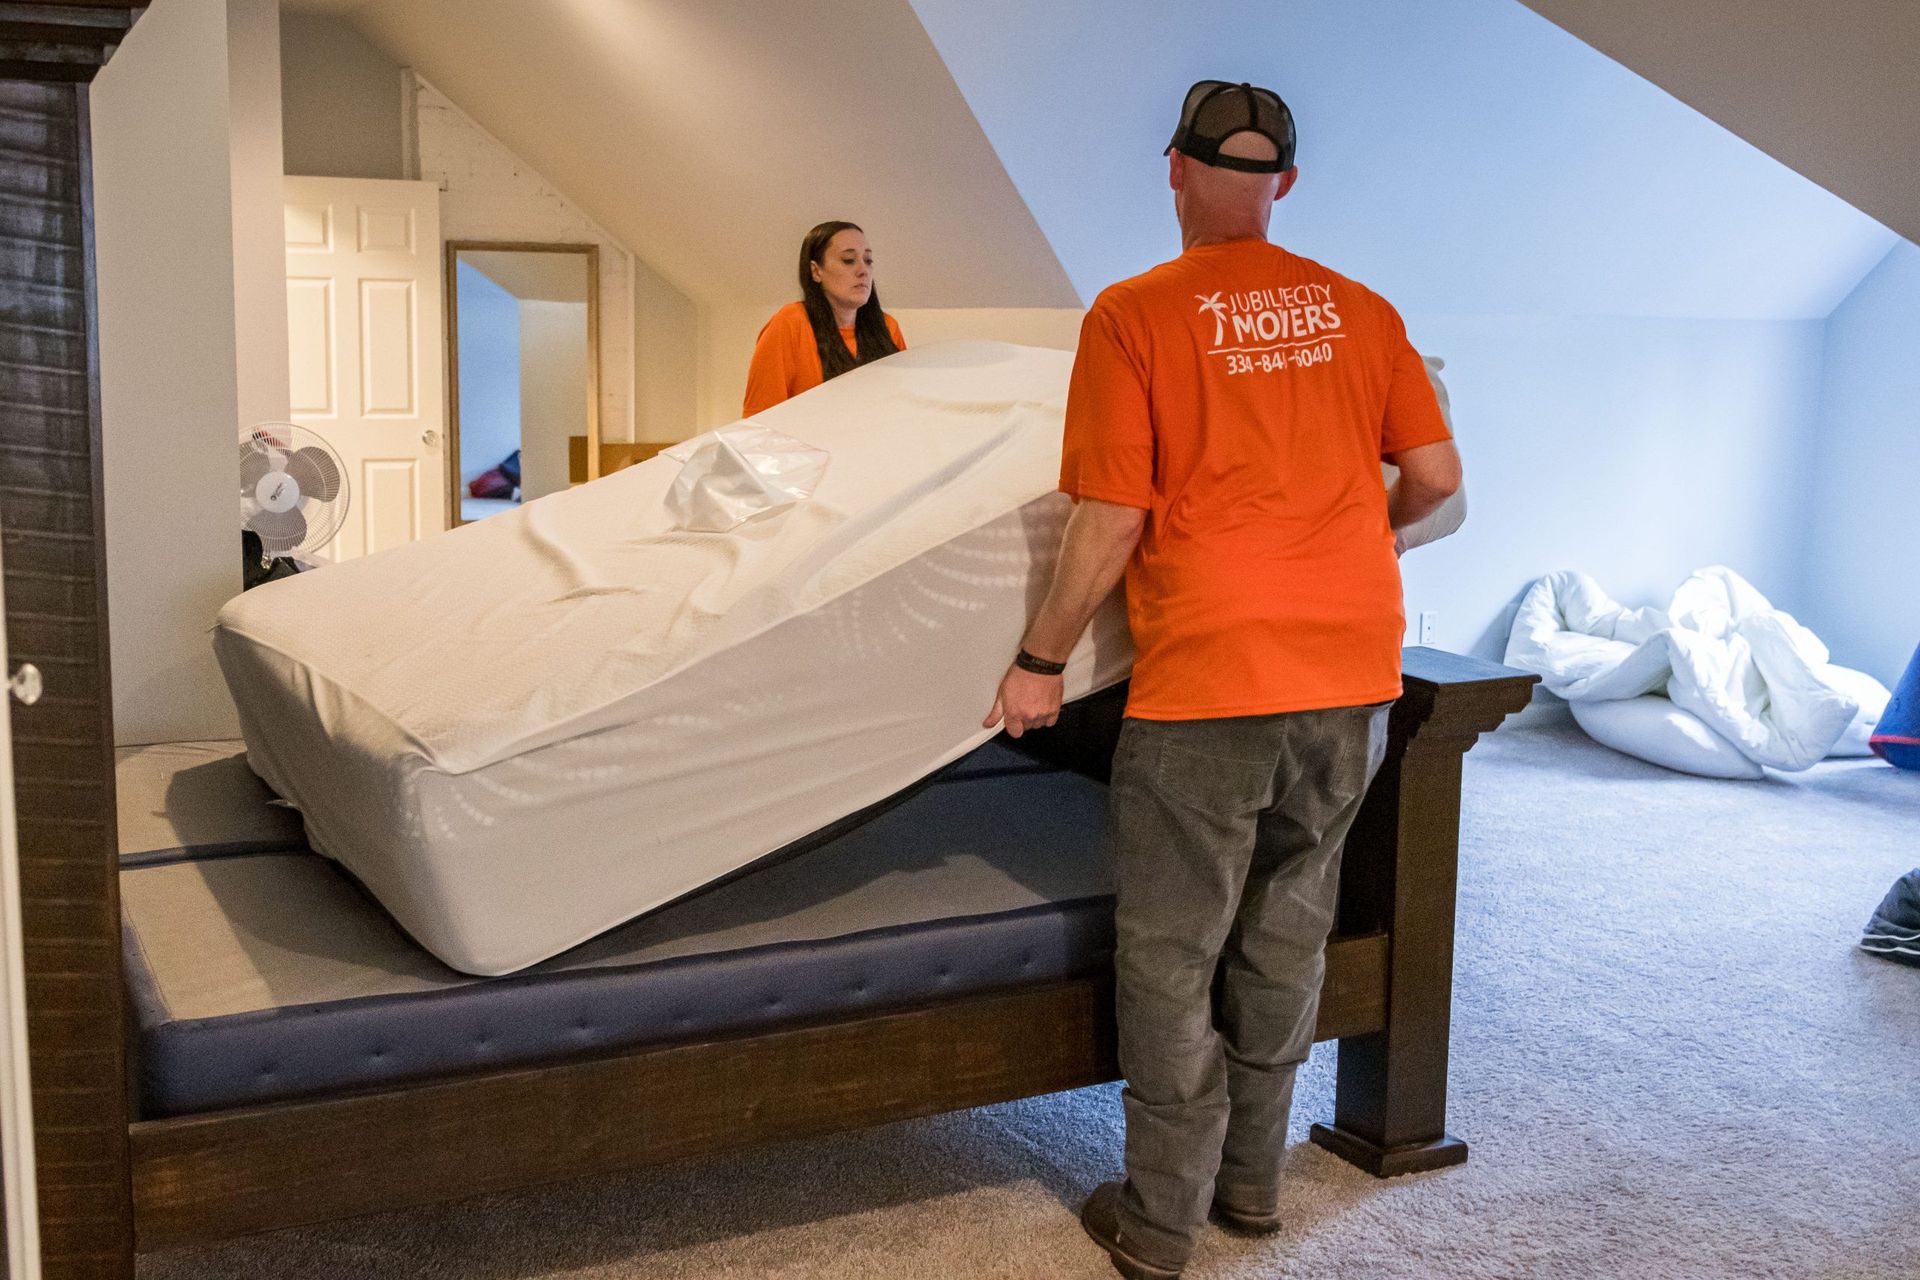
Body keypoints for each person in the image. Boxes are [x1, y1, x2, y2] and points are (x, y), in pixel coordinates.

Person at [982, 81, 1462, 1280]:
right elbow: (1441, 481)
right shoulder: (1363, 309)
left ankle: (1160, 1219)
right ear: (1285, 183)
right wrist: (1363, 548)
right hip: (1353, 669)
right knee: (1287, 930)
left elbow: (1108, 515)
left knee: (1171, 947)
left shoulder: (1134, 315)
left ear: (1175, 169)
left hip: (1212, 674)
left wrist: (1040, 660)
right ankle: (1252, 1188)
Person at [741, 221, 905, 416]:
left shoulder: (888, 327)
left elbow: (902, 410)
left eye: (868, 260)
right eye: (848, 260)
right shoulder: (790, 323)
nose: (863, 271)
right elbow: (759, 421)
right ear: (816, 271)